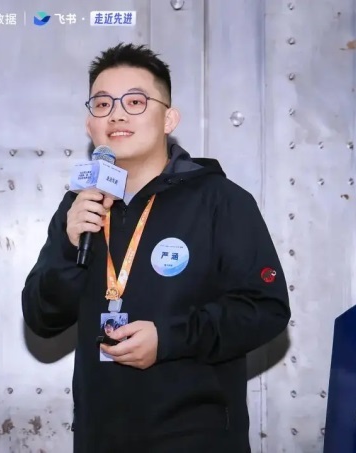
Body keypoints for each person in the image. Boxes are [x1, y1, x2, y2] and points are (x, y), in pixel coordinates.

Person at [21, 42, 291, 453]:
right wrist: (70, 246)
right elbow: (42, 318)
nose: (116, 114)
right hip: (100, 439)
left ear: (169, 119)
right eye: (102, 104)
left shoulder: (220, 200)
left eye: (135, 101)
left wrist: (169, 338)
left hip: (196, 440)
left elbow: (266, 309)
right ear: (90, 124)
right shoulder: (79, 207)